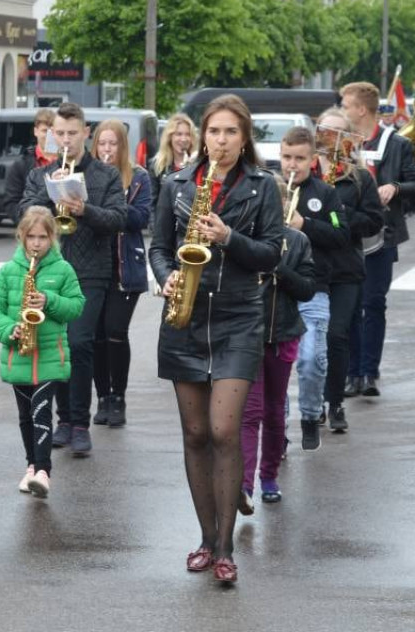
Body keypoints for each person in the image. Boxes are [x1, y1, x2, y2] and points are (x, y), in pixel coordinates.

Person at [149, 94, 283, 584]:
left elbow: (271, 253)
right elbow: (159, 246)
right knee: (196, 434)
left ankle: (226, 546)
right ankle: (205, 539)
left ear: (243, 138)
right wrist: (165, 275)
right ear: (202, 136)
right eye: (214, 132)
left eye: (230, 133)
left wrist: (228, 237)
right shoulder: (176, 184)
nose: (220, 141)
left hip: (238, 319)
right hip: (184, 317)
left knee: (225, 431)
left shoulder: (264, 187)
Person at [18, 102, 127, 456]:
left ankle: (80, 422)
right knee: (54, 343)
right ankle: (63, 420)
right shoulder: (41, 174)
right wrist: (52, 203)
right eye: (59, 134)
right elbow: (24, 210)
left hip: (91, 271)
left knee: (79, 344)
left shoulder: (105, 175)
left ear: (85, 134)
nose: (65, 140)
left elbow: (118, 218)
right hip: (48, 269)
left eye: (72, 133)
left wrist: (85, 210)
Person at [0, 207, 84, 498]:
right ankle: (31, 466)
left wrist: (49, 300)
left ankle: (43, 471)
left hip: (51, 356)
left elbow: (76, 306)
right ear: (21, 237)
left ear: (52, 237)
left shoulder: (63, 269)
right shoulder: (10, 271)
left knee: (42, 413)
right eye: (31, 237)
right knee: (26, 416)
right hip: (20, 355)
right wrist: (8, 330)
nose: (37, 243)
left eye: (43, 237)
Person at [240, 174, 315, 512]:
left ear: (286, 204)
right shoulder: (246, 237)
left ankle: (269, 477)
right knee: (250, 411)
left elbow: (307, 289)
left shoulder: (298, 241)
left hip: (283, 334)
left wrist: (279, 269)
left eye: (278, 201)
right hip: (249, 334)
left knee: (273, 412)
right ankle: (244, 485)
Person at [340, 82, 415, 397]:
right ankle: (352, 372)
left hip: (381, 235)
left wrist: (395, 187)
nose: (343, 111)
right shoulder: (340, 143)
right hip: (346, 236)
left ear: (360, 109)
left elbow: (413, 181)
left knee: (373, 302)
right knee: (350, 306)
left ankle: (369, 372)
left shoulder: (396, 143)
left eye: (345, 105)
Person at [313, 109, 385, 429]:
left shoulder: (360, 177)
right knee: (311, 340)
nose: (332, 138)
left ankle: (335, 402)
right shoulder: (306, 170)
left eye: (339, 133)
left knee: (336, 335)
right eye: (326, 131)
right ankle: (314, 401)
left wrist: (340, 216)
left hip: (345, 269)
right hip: (309, 268)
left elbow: (373, 221)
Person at [279, 126, 349, 452]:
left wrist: (304, 224)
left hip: (314, 288)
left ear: (312, 159)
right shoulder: (271, 188)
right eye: (287, 157)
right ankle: (277, 427)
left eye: (299, 159)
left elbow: (341, 234)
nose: (292, 165)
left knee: (309, 360)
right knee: (275, 366)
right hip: (276, 290)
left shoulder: (325, 194)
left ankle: (310, 416)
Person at [91, 119, 152, 427]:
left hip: (125, 266)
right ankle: (102, 396)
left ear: (123, 146)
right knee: (97, 336)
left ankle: (119, 396)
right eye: (102, 143)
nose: (107, 149)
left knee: (116, 332)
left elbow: (141, 217)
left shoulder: (139, 176)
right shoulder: (89, 174)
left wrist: (112, 203)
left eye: (113, 143)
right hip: (93, 266)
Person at [3, 108, 57, 225]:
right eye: (45, 131)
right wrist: (27, 224)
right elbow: (11, 203)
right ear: (35, 131)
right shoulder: (20, 166)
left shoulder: (66, 162)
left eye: (53, 132)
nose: (49, 136)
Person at [150, 113, 197, 218]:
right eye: (179, 134)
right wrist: (156, 231)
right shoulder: (157, 166)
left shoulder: (199, 164)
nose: (183, 139)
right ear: (170, 137)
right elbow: (152, 204)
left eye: (187, 134)